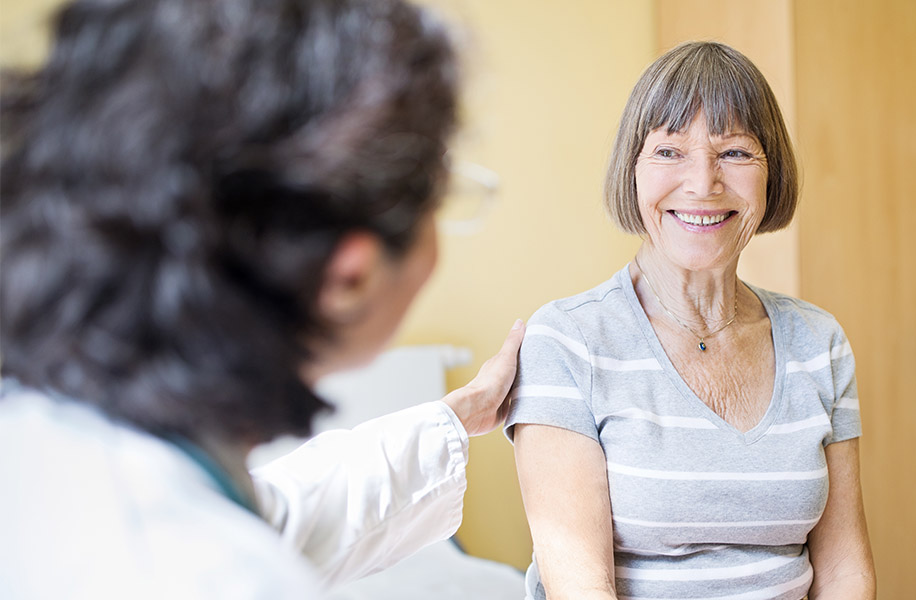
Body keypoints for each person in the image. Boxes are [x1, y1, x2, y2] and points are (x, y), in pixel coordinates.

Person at [0, 0, 524, 597]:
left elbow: (273, 517)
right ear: (348, 277)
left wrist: (457, 418)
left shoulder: (58, 440)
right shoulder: (212, 572)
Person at [507, 42, 876, 599]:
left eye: (735, 153)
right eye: (669, 151)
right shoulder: (567, 342)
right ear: (631, 171)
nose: (703, 183)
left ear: (771, 174)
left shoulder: (818, 341)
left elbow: (846, 565)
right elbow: (579, 588)